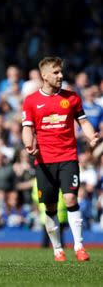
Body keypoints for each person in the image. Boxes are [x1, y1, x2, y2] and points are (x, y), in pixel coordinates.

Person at [22, 56, 99, 262]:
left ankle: (80, 247)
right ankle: (57, 249)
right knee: (50, 207)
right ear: (44, 76)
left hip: (68, 157)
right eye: (56, 72)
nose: (60, 75)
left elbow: (83, 122)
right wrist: (29, 144)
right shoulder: (31, 101)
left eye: (61, 72)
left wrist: (92, 136)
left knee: (71, 198)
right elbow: (27, 128)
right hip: (44, 161)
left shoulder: (72, 98)